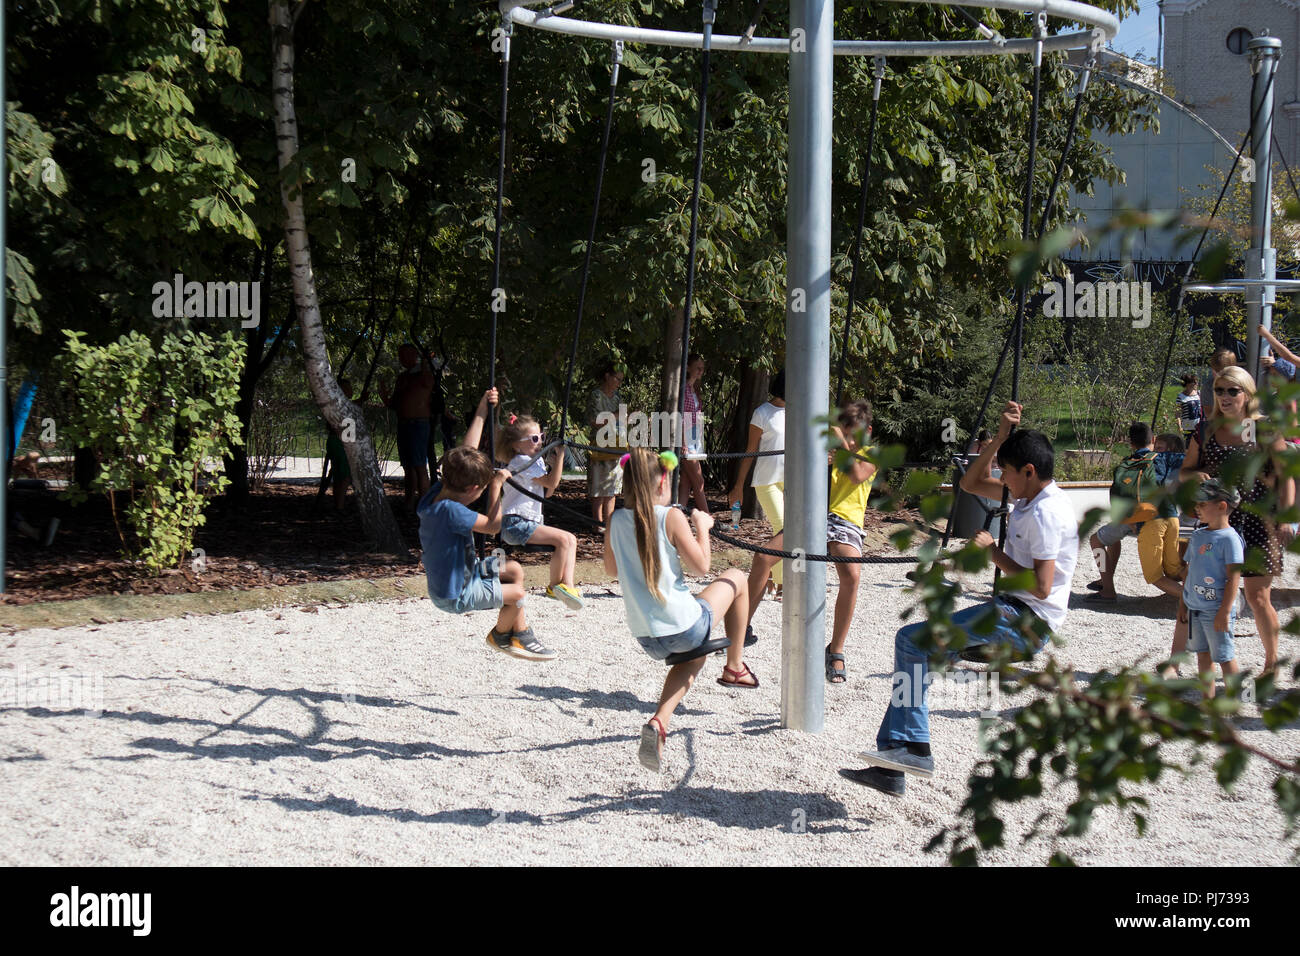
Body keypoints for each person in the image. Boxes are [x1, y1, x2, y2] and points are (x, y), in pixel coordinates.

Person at [844, 402, 1078, 796]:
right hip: (1013, 612)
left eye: (1006, 470)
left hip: (1027, 620)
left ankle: (914, 749)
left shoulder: (1047, 514)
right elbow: (970, 483)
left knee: (911, 641)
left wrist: (994, 554)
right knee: (920, 659)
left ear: (1029, 471)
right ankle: (892, 763)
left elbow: (1042, 586)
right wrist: (1000, 439)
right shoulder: (1027, 498)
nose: (1001, 478)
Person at [604, 447, 757, 772]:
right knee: (737, 579)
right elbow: (701, 565)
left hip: (647, 637)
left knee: (695, 654)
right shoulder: (671, 516)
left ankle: (660, 721)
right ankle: (735, 666)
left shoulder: (616, 519)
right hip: (684, 627)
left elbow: (611, 570)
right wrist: (702, 525)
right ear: (662, 483)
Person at [419, 388, 556, 661]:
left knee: (512, 568)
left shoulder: (437, 493)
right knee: (516, 593)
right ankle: (503, 635)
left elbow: (464, 452)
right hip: (456, 592)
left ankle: (519, 634)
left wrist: (484, 407)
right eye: (481, 490)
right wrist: (496, 487)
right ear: (472, 489)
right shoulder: (453, 512)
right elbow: (494, 526)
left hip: (467, 572)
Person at [744, 400, 877, 681]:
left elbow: (855, 475)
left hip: (845, 522)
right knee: (763, 556)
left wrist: (840, 444)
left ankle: (836, 649)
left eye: (854, 434)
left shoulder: (871, 455)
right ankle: (742, 626)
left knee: (851, 574)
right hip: (816, 516)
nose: (850, 439)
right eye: (845, 432)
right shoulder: (831, 454)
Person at [1181, 365, 1293, 674]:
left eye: (1234, 390)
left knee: (1258, 597)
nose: (1226, 396)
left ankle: (1271, 662)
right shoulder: (1205, 430)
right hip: (1219, 523)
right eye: (1220, 390)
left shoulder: (1263, 428)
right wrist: (1195, 475)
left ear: (1247, 393)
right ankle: (1214, 665)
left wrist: (1286, 517)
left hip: (1260, 522)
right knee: (1208, 594)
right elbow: (1184, 470)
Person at [495, 413, 585, 610]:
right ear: (517, 445)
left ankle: (566, 585)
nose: (539, 442)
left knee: (570, 539)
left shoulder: (535, 461)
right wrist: (560, 458)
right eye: (534, 439)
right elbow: (552, 483)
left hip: (529, 522)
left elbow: (548, 491)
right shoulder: (520, 461)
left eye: (541, 437)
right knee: (564, 540)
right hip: (515, 523)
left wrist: (553, 466)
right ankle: (554, 586)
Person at [1086, 422, 1182, 603]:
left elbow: (1117, 497)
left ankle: (1107, 589)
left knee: (1096, 540)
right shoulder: (1162, 458)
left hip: (1138, 519)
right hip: (1168, 515)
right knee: (1113, 539)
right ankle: (1105, 580)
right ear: (1153, 440)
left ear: (1130, 443)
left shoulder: (1125, 464)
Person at [1179, 479, 1245, 699]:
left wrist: (1225, 611)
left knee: (1225, 656)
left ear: (1222, 506)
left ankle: (1242, 699)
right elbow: (1188, 572)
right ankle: (1208, 700)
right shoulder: (1197, 536)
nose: (1197, 508)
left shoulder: (1230, 539)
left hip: (1216, 610)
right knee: (1202, 654)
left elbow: (1233, 578)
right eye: (1196, 504)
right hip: (1194, 607)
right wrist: (1183, 604)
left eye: (1203, 504)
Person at [728, 370, 786, 601]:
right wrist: (738, 485)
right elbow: (750, 451)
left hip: (792, 480)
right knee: (783, 527)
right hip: (767, 481)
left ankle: (772, 576)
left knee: (787, 530)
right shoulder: (762, 413)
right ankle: (782, 585)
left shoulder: (799, 411)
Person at [387, 343, 438, 513]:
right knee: (408, 466)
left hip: (419, 424)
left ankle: (425, 505)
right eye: (400, 355)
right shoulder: (402, 377)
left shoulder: (424, 374)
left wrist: (425, 363)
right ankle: (409, 502)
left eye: (407, 354)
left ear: (415, 355)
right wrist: (383, 396)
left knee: (419, 466)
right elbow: (393, 403)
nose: (403, 358)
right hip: (403, 425)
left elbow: (428, 384)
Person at [586, 361, 625, 526]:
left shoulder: (618, 398)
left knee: (612, 489)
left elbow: (622, 419)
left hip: (615, 445)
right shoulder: (596, 395)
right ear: (607, 376)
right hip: (599, 445)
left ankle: (608, 525)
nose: (619, 383)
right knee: (597, 487)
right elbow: (594, 420)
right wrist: (616, 415)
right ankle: (597, 523)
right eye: (617, 379)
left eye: (621, 380)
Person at [678, 353, 709, 512]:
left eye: (702, 368)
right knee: (699, 481)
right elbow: (681, 418)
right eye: (697, 368)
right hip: (686, 441)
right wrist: (683, 443)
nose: (700, 371)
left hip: (694, 439)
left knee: (686, 482)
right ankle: (709, 519)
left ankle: (677, 515)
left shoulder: (694, 389)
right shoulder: (682, 389)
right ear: (688, 367)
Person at [320, 376, 355, 512]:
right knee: (344, 475)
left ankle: (338, 503)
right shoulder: (340, 405)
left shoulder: (335, 404)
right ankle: (339, 505)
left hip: (337, 441)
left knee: (340, 473)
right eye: (347, 388)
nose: (350, 391)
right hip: (340, 443)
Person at [1174, 373, 1202, 446]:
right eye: (1194, 382)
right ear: (1187, 384)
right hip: (1187, 429)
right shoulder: (1180, 397)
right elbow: (1177, 414)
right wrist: (1179, 427)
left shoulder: (1199, 394)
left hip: (1199, 428)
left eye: (1196, 381)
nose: (1196, 383)